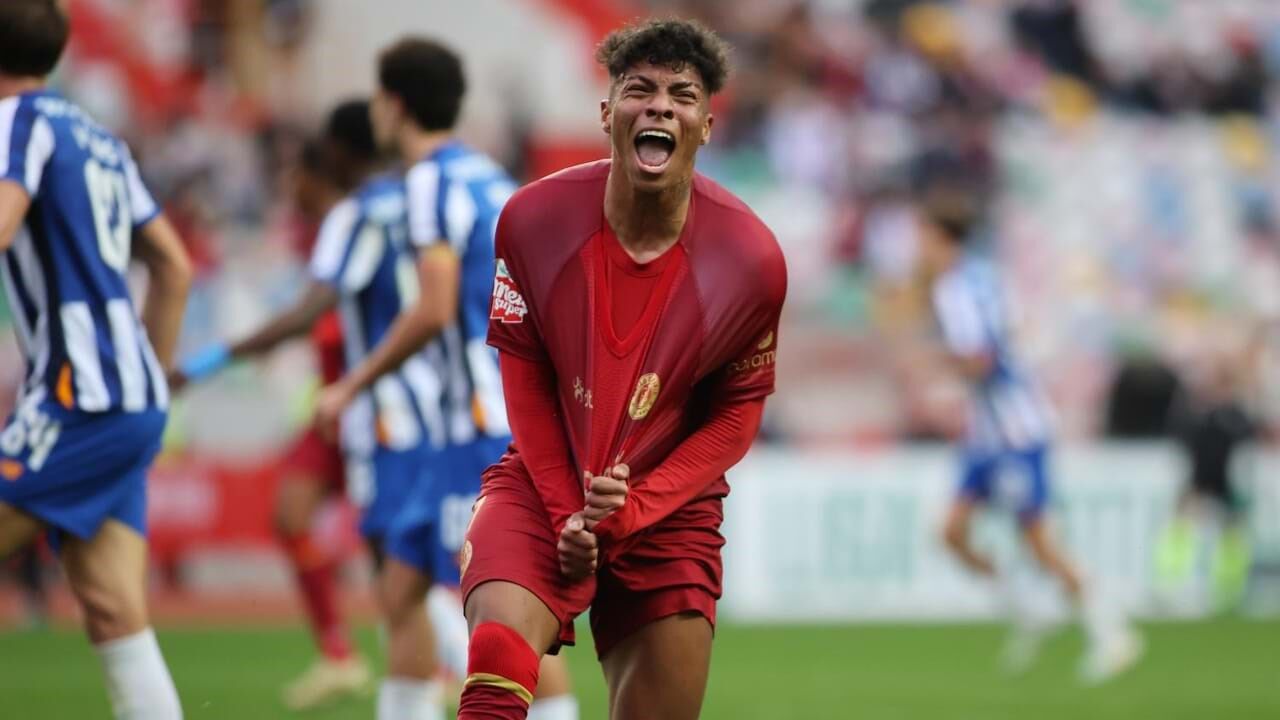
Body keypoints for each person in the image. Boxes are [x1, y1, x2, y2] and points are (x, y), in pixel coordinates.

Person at [440, 19, 787, 720]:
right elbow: (524, 377)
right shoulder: (532, 219)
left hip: (669, 510)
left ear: (707, 125)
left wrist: (635, 509)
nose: (660, 106)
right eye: (640, 90)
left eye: (682, 95)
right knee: (498, 658)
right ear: (606, 113)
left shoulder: (752, 259)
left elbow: (736, 415)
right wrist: (568, 512)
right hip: (544, 483)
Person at [312, 38, 579, 720]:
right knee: (402, 591)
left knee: (507, 613)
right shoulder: (490, 178)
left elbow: (432, 309)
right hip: (478, 422)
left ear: (393, 104)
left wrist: (351, 384)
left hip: (479, 427)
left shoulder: (428, 183)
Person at [0, 1, 192, 718]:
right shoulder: (98, 137)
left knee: (116, 610)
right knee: (115, 611)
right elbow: (173, 266)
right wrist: (153, 379)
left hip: (78, 397)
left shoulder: (14, 121)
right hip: (129, 396)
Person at [172, 110, 378, 710]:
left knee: (403, 552)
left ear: (319, 174)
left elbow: (305, 317)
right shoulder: (328, 233)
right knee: (291, 513)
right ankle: (339, 655)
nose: (289, 189)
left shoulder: (352, 223)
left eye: (296, 177)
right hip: (334, 408)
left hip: (377, 409)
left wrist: (207, 361)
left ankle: (442, 659)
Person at [916, 196, 1142, 684]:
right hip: (988, 432)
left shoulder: (955, 289)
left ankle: (1112, 631)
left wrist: (935, 368)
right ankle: (1030, 608)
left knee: (1038, 540)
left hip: (1014, 430)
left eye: (923, 237)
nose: (919, 248)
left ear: (941, 238)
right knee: (951, 532)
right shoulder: (984, 278)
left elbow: (979, 360)